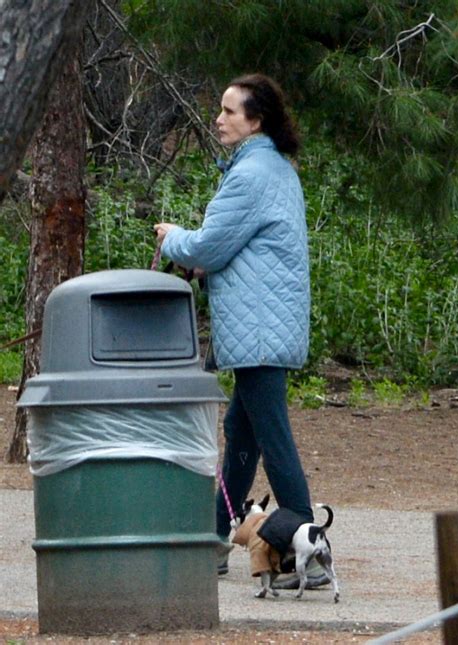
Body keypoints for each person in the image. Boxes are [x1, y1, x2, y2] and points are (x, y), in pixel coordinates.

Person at [154, 73, 328, 589]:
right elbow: (245, 249)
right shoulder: (271, 167)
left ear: (256, 120)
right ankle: (211, 540)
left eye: (230, 111)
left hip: (258, 330)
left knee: (272, 439)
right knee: (242, 430)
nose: (219, 119)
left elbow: (208, 245)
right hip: (266, 326)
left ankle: (308, 553)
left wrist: (172, 238)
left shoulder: (251, 173)